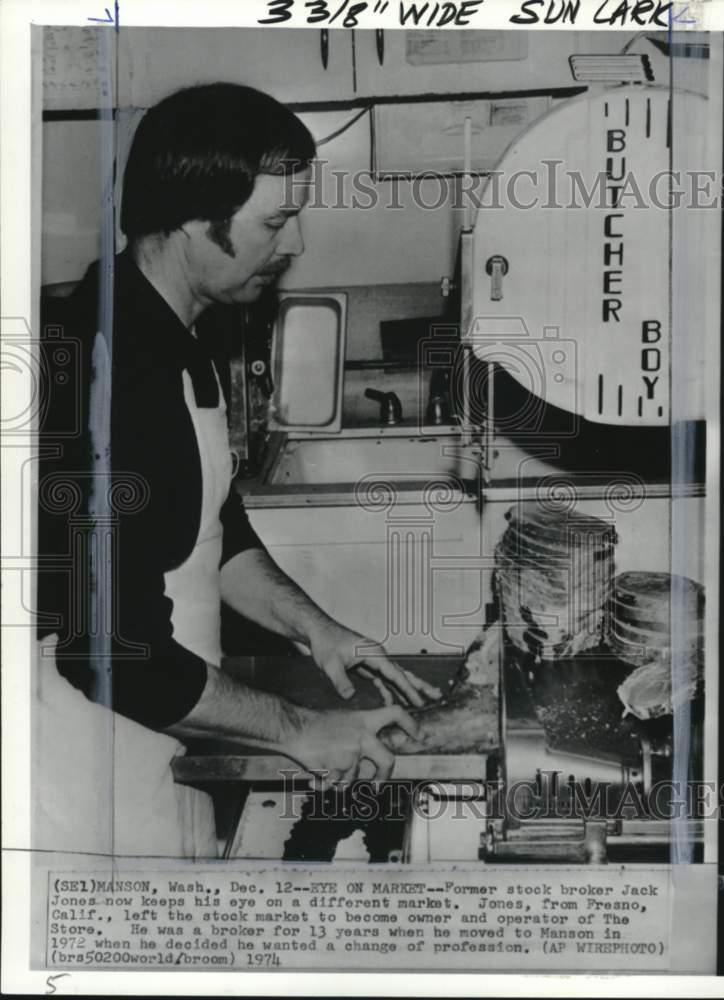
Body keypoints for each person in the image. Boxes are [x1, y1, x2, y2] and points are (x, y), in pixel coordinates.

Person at [35, 83, 437, 855]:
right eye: (276, 221)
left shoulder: (182, 331)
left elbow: (204, 522)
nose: (295, 245)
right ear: (193, 221)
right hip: (79, 760)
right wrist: (300, 730)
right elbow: (109, 648)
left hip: (165, 727)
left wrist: (316, 628)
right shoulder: (102, 371)